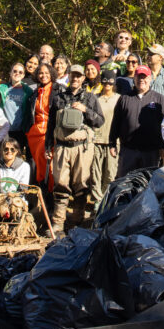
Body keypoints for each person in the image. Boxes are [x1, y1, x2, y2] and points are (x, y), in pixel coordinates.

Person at [49, 66, 102, 227]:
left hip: (82, 148)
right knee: (60, 184)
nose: (76, 79)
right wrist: (47, 146)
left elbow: (100, 121)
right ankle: (58, 222)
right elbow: (51, 124)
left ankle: (77, 221)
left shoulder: (91, 98)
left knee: (81, 185)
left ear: (83, 78)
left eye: (79, 76)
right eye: (73, 75)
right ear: (69, 76)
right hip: (62, 147)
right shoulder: (58, 98)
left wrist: (85, 110)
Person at [112, 66, 164, 176]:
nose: (141, 80)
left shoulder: (159, 99)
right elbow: (116, 122)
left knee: (147, 183)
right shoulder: (125, 98)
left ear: (150, 78)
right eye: (138, 77)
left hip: (151, 151)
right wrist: (112, 142)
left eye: (144, 77)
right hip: (128, 150)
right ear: (134, 78)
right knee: (125, 183)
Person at [14, 62, 56, 189]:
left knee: (49, 165)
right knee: (38, 164)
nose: (43, 75)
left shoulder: (58, 90)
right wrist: (29, 130)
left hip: (50, 132)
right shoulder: (35, 92)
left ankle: (49, 195)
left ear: (51, 74)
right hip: (35, 133)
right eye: (41, 73)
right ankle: (41, 194)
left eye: (46, 73)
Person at [92, 69, 122, 198]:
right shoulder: (95, 98)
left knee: (110, 172)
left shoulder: (119, 99)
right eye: (105, 81)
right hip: (96, 139)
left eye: (110, 82)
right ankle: (97, 200)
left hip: (113, 141)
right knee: (95, 172)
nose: (107, 85)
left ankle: (107, 198)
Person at [2, 60, 31, 125]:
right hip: (5, 129)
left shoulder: (28, 91)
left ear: (23, 75)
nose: (17, 73)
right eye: (15, 71)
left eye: (20, 72)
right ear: (10, 73)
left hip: (21, 131)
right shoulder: (3, 89)